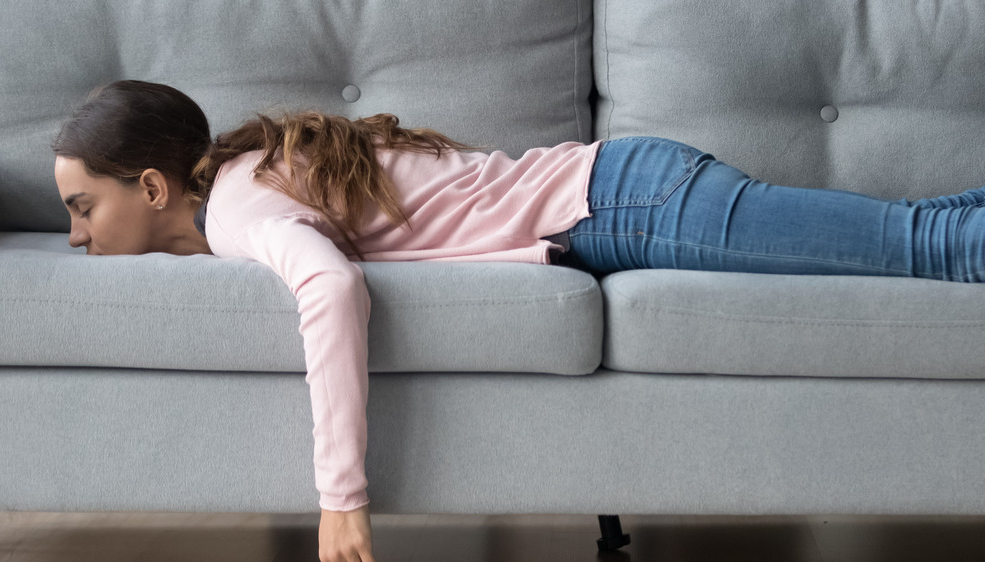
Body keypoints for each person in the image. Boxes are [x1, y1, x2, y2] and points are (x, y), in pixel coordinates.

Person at [51, 80, 985, 562]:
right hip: (621, 198)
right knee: (926, 231)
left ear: (153, 186)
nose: (73, 234)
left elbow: (331, 292)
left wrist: (340, 495)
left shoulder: (241, 209)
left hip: (629, 204)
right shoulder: (242, 192)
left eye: (83, 207)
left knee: (926, 248)